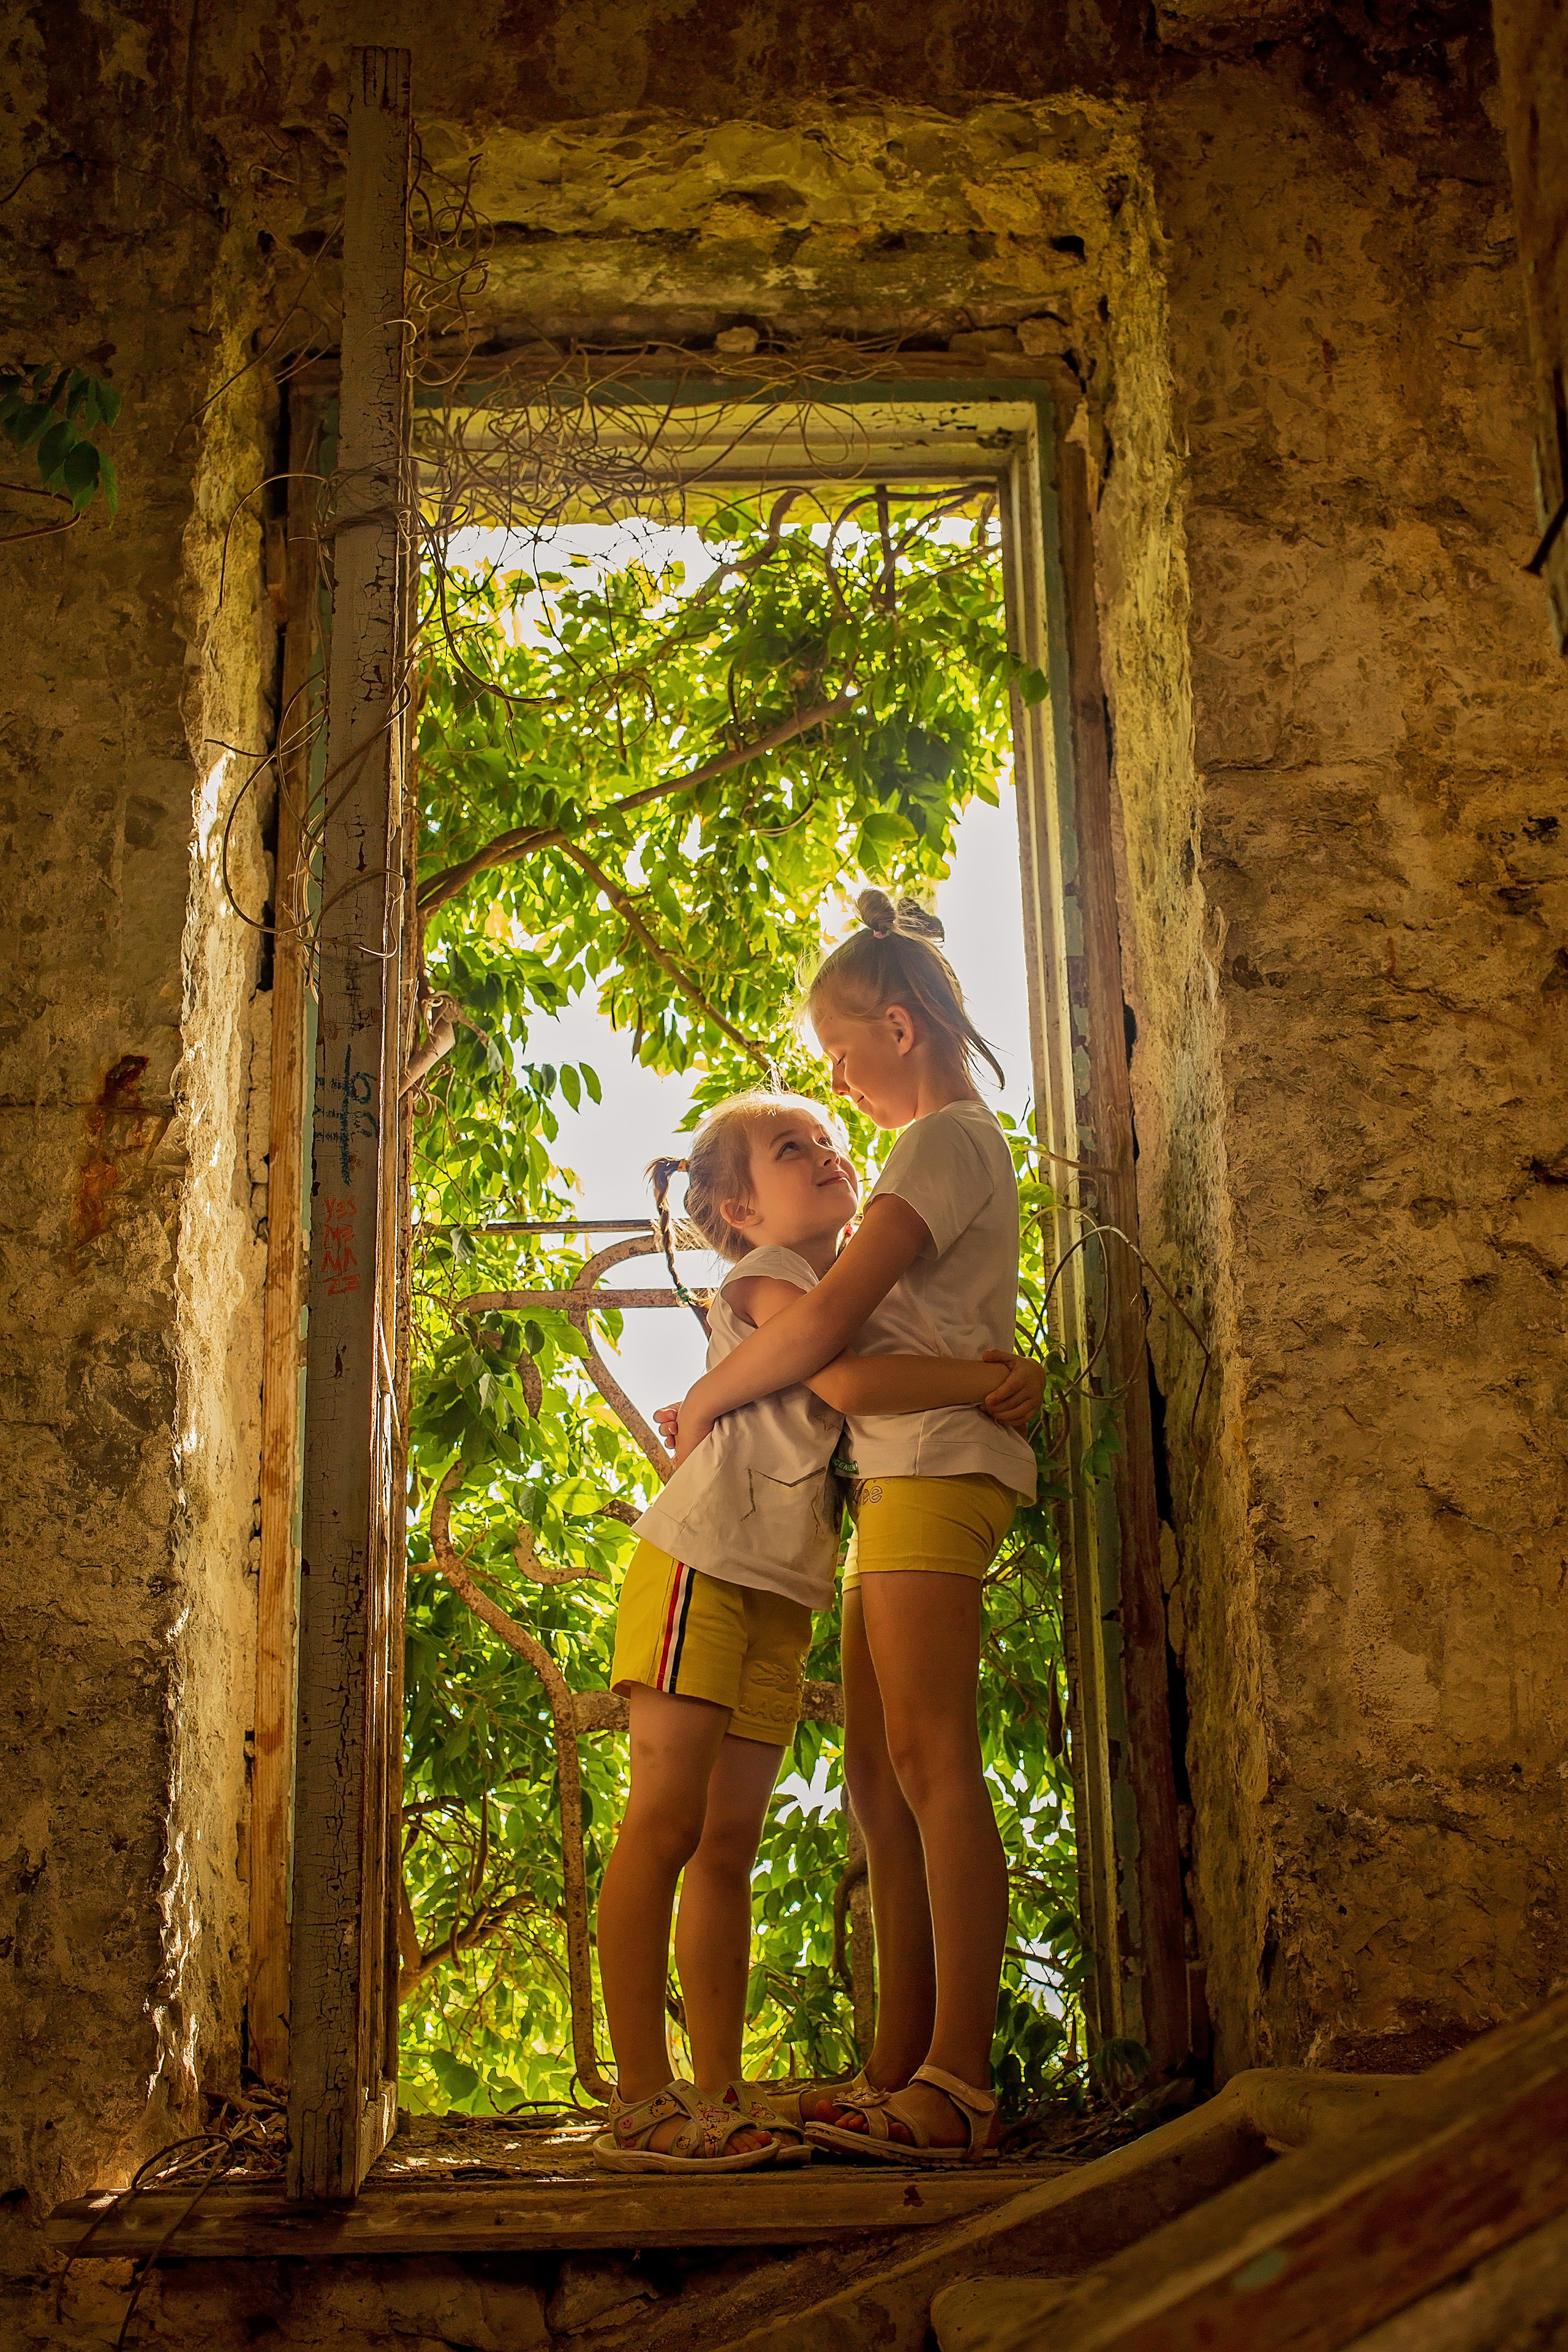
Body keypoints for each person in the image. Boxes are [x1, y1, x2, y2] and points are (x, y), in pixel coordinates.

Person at [592, 1085, 1043, 2172]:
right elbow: (843, 1376)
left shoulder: (837, 1279)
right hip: (701, 1560)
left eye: (832, 1140)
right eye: (793, 1148)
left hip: (776, 1590)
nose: (829, 1153)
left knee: (729, 1845)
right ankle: (644, 2100)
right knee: (663, 1823)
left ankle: (716, 2098)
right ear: (740, 1211)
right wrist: (990, 1381)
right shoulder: (767, 1278)